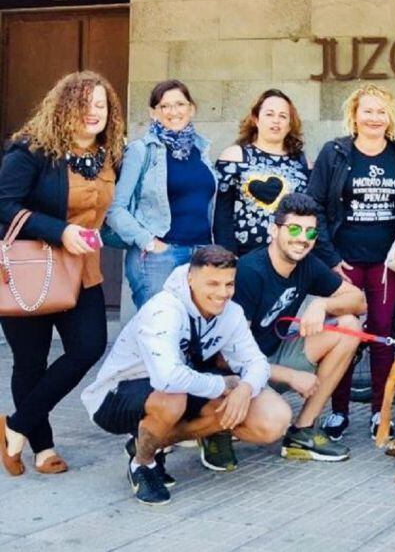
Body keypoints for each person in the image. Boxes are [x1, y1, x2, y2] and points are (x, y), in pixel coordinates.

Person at [80, 246, 289, 505]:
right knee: (172, 398)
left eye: (229, 284)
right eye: (212, 283)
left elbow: (257, 362)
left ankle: (150, 442)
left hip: (183, 386)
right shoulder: (164, 309)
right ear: (190, 278)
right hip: (116, 395)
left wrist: (245, 388)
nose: (222, 293)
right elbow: (166, 378)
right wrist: (222, 384)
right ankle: (142, 464)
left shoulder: (231, 312)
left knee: (273, 418)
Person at [0, 71, 123, 478]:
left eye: (101, 105)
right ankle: (43, 446)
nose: (94, 112)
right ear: (64, 106)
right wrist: (60, 230)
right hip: (29, 270)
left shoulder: (109, 155)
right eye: (85, 103)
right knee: (30, 361)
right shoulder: (31, 150)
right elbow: (4, 205)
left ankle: (14, 426)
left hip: (82, 271)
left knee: (88, 348)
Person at [221, 193, 367, 470]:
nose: (303, 238)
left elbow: (358, 301)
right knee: (275, 422)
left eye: (310, 232)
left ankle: (303, 431)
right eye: (295, 229)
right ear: (274, 230)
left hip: (272, 355)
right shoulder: (250, 272)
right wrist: (290, 376)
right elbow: (226, 357)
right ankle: (212, 430)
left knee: (349, 326)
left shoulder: (307, 264)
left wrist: (323, 304)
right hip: (236, 373)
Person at [306, 84, 395, 441]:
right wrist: (330, 257)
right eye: (367, 111)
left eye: (381, 112)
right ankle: (339, 411)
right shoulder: (334, 153)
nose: (374, 118)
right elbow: (314, 203)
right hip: (343, 262)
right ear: (354, 115)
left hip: (386, 262)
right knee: (346, 332)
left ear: (390, 117)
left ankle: (381, 413)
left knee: (382, 335)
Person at [107, 79, 215, 309]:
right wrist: (148, 242)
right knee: (158, 331)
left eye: (180, 104)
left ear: (191, 108)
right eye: (164, 106)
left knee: (196, 333)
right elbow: (115, 209)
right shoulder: (141, 150)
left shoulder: (201, 149)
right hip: (161, 256)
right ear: (153, 113)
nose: (173, 112)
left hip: (202, 255)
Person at [214, 89, 310, 256]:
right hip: (244, 255)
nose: (276, 121)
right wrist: (228, 258)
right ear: (256, 119)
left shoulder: (302, 162)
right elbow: (222, 213)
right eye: (269, 114)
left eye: (283, 116)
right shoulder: (235, 156)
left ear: (289, 124)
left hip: (289, 256)